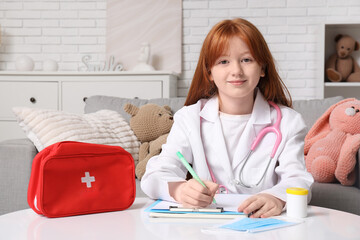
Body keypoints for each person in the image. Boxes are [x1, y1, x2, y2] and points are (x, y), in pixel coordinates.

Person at [141, 18, 314, 218]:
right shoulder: (189, 118)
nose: (236, 71)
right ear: (209, 72)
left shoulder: (288, 122)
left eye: (246, 60)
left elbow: (298, 180)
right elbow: (154, 177)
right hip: (205, 223)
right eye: (224, 61)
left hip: (262, 224)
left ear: (263, 68)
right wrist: (180, 190)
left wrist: (277, 198)